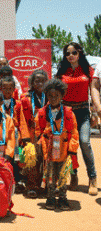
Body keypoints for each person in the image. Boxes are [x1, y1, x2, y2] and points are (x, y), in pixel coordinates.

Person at [56, 42, 97, 195]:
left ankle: (92, 178)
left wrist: (94, 112)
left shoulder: (88, 70)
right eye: (67, 53)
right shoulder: (61, 72)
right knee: (68, 147)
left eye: (73, 52)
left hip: (83, 111)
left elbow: (94, 92)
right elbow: (55, 93)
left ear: (79, 53)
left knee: (85, 142)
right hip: (66, 113)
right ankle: (73, 176)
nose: (70, 56)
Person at [36, 79, 79, 210]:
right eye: (50, 96)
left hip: (64, 150)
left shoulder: (69, 113)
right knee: (49, 174)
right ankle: (50, 197)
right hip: (48, 150)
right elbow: (38, 130)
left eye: (56, 96)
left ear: (62, 96)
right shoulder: (42, 113)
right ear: (47, 96)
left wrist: (72, 150)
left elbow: (74, 132)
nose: (53, 98)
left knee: (62, 175)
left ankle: (62, 198)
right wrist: (41, 143)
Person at [0, 76, 30, 193]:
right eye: (4, 88)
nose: (7, 91)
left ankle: (18, 180)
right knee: (4, 158)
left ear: (14, 89)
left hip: (16, 137)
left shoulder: (17, 104)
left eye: (10, 88)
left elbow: (22, 121)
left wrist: (25, 138)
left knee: (16, 159)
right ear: (0, 89)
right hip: (2, 137)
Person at [20, 69, 48, 196]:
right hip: (31, 132)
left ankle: (47, 185)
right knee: (32, 159)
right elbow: (23, 120)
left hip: (46, 132)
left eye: (43, 80)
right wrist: (24, 137)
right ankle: (32, 186)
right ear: (32, 82)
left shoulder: (50, 97)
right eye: (37, 80)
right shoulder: (26, 99)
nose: (40, 83)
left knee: (46, 159)